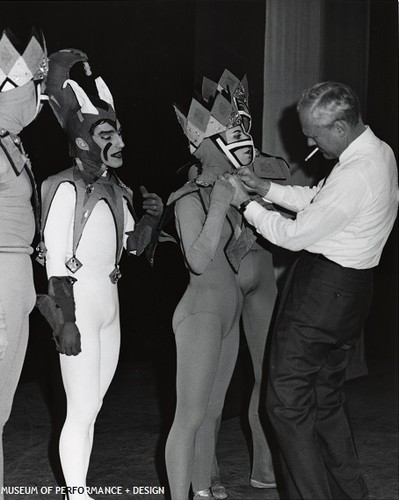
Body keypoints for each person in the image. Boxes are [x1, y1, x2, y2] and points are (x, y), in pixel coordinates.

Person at [224, 81, 398, 499]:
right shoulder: (377, 152)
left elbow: (295, 236)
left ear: (339, 127)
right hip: (349, 293)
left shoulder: (357, 172)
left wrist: (245, 205)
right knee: (324, 401)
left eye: (314, 134)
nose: (307, 141)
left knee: (285, 405)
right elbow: (318, 200)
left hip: (323, 295)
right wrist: (264, 189)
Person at [36, 49, 163, 500]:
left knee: (92, 407)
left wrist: (150, 218)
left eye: (118, 132)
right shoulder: (63, 187)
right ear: (84, 140)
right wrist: (64, 320)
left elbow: (131, 248)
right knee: (83, 405)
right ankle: (75, 493)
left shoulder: (118, 189)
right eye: (107, 133)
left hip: (110, 307)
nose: (119, 142)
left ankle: (79, 488)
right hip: (79, 306)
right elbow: (54, 261)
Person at [164, 70, 289, 500]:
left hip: (231, 307)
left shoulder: (238, 186)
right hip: (203, 309)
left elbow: (282, 176)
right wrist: (219, 201)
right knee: (194, 415)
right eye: (229, 131)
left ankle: (206, 484)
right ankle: (197, 485)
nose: (240, 137)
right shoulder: (190, 197)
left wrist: (234, 195)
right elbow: (198, 259)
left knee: (215, 405)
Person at [0, 27, 48, 497]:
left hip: (17, 273)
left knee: (3, 399)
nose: (37, 96)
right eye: (31, 86)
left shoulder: (12, 143)